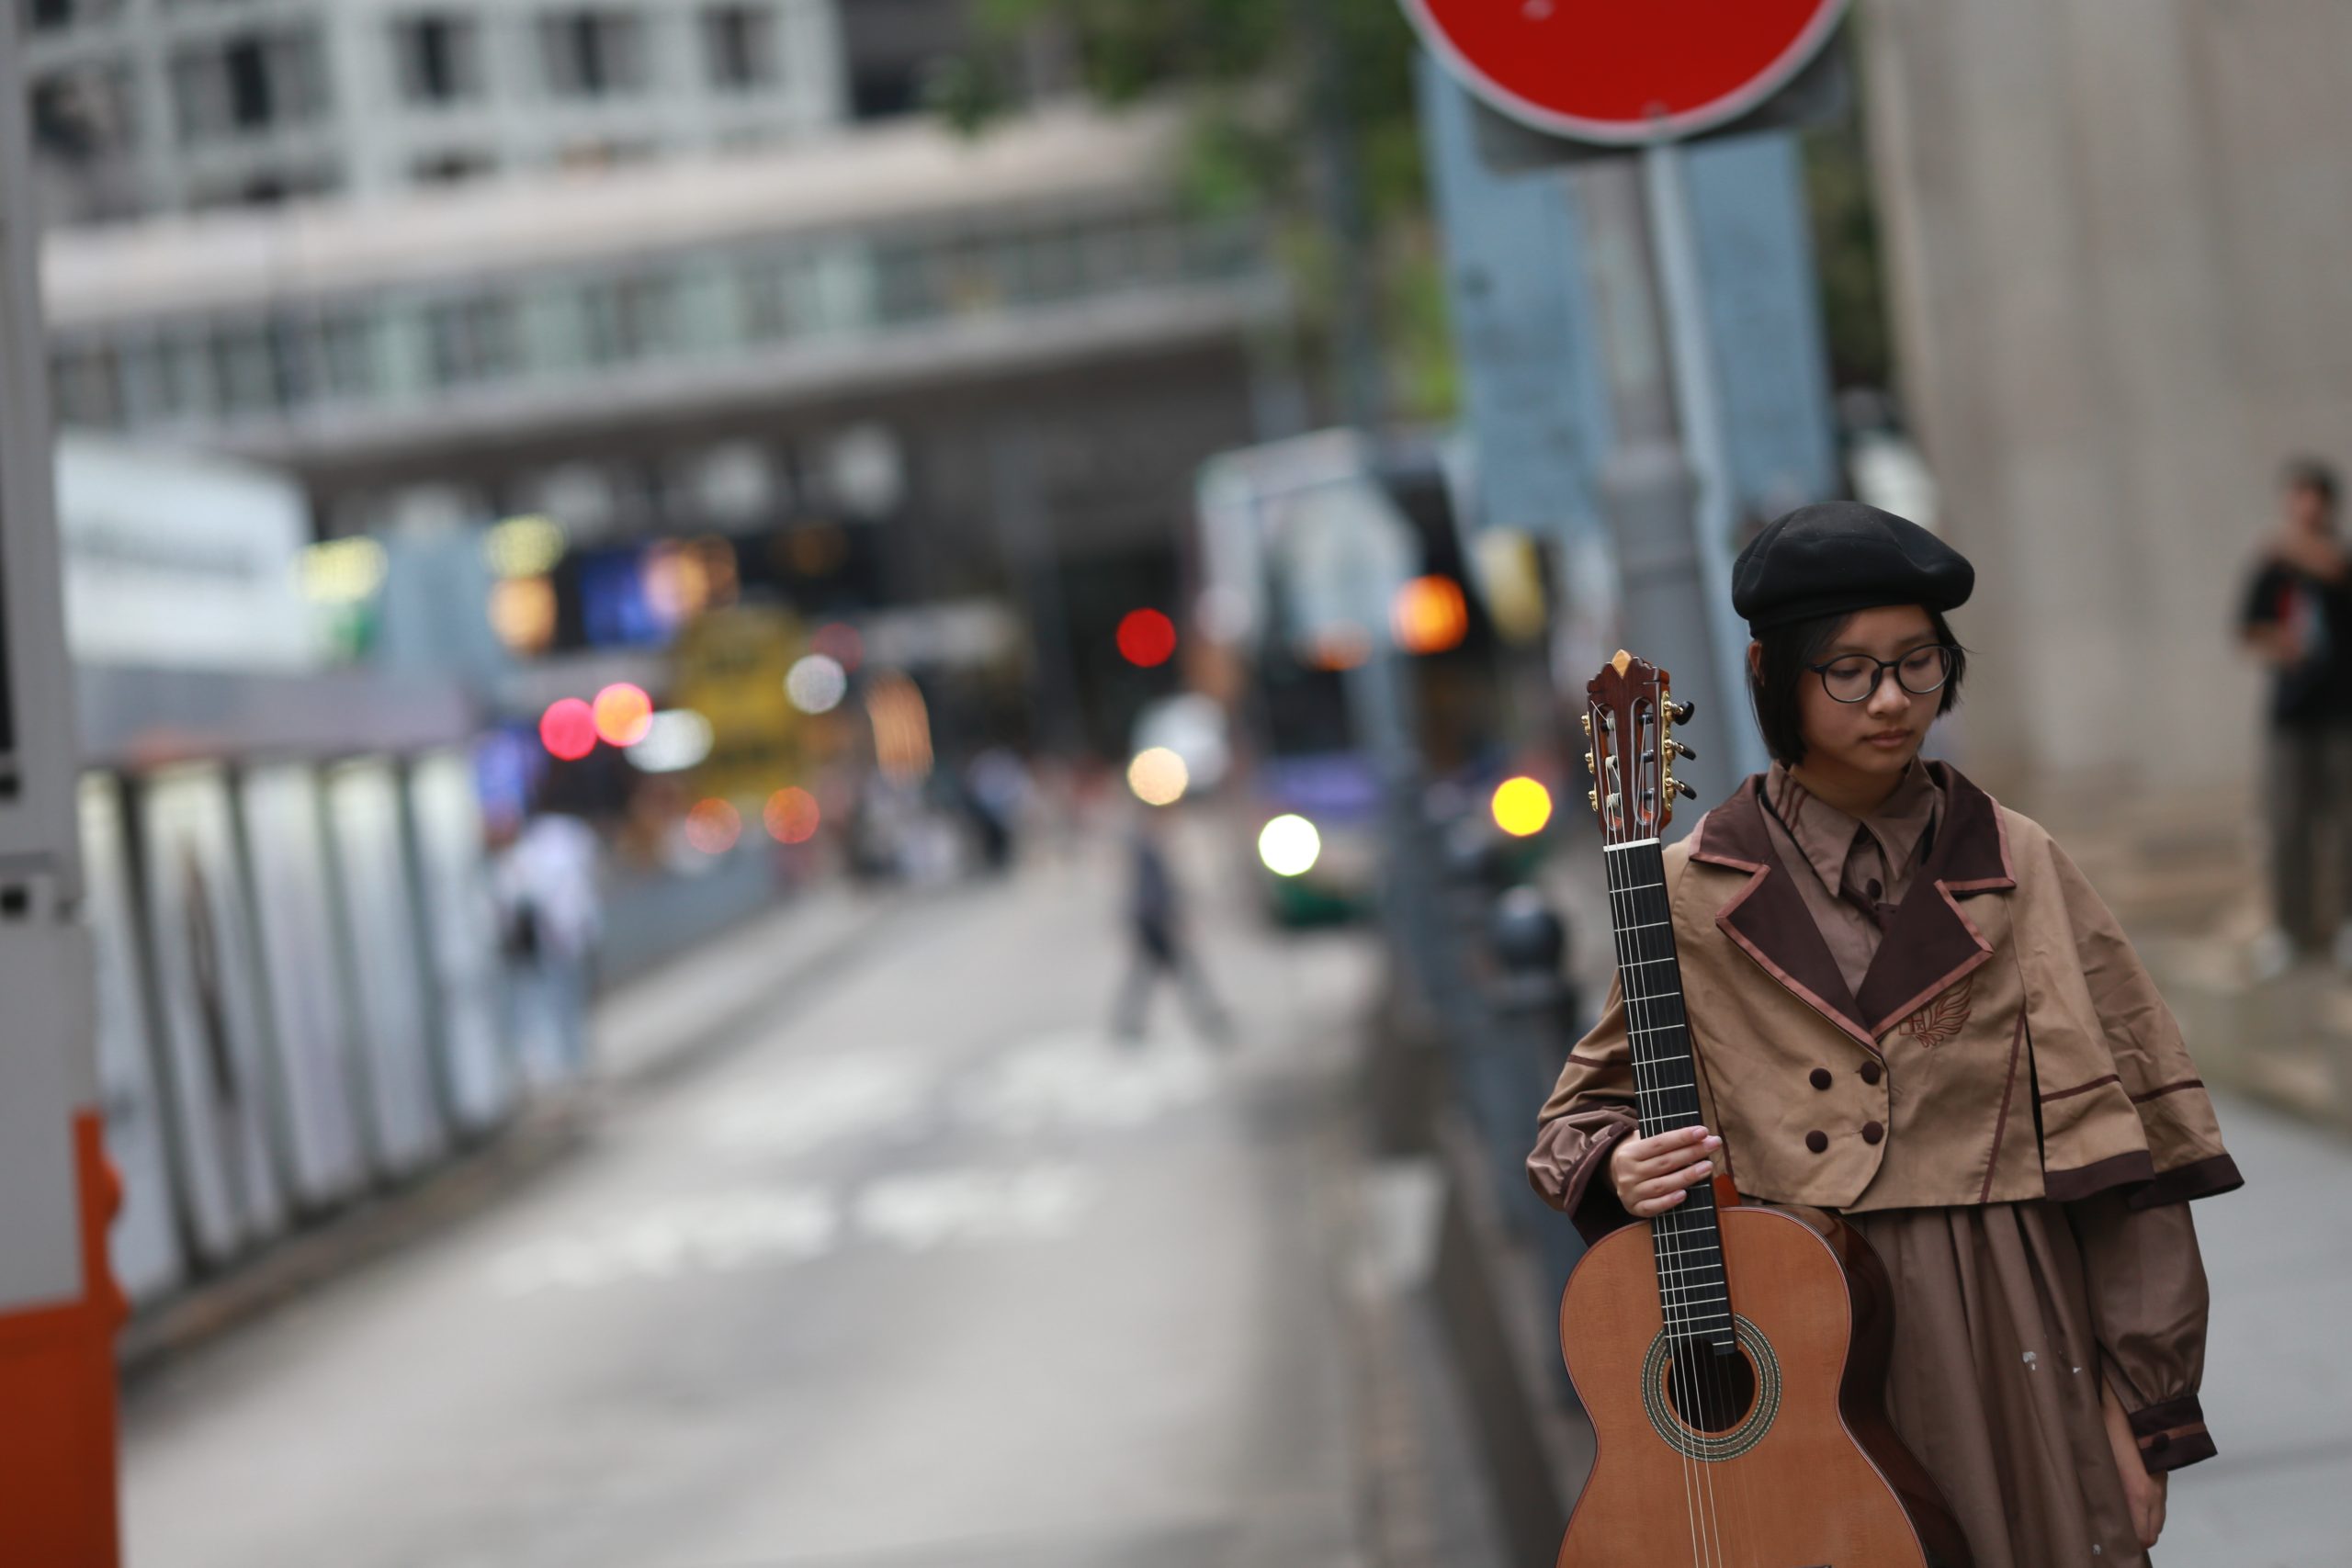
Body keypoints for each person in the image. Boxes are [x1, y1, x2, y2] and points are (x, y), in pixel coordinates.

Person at [1530, 502, 2241, 1568]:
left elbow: (2133, 1148)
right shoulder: (1684, 892)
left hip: (2012, 1324)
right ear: (1773, 675)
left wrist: (2144, 1410)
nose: (1893, 699)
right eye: (1850, 671)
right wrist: (1622, 1165)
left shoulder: (2016, 861)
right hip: (1798, 1333)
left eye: (1917, 664)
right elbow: (1578, 1114)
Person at [2237, 457, 2352, 973]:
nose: (2301, 508)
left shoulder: (2332, 559)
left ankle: (2344, 924)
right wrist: (2281, 643)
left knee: (2344, 824)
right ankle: (2290, 933)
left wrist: (2290, 546)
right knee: (2287, 826)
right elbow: (2247, 629)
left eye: (2310, 496)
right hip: (2291, 716)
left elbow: (2330, 568)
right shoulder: (2274, 567)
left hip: (2341, 712)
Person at [1112, 808, 1231, 1043]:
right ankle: (1207, 1018)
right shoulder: (1146, 849)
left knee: (1151, 975)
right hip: (1155, 923)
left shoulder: (1149, 846)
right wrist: (1167, 917)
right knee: (1182, 972)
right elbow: (1150, 892)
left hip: (1152, 921)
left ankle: (1129, 1023)